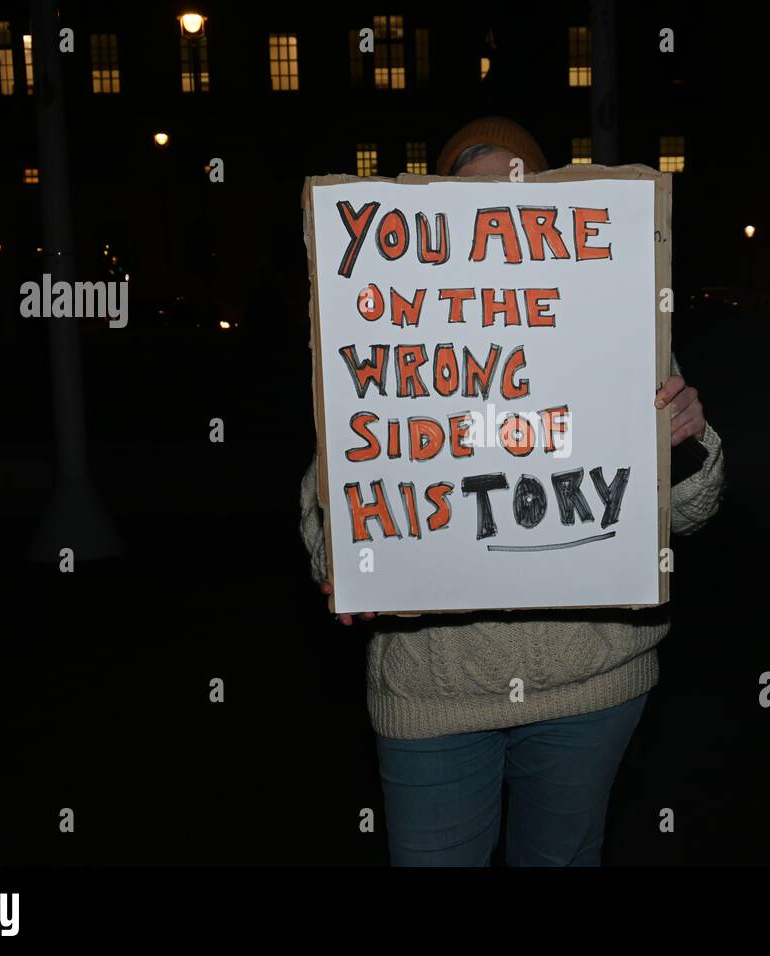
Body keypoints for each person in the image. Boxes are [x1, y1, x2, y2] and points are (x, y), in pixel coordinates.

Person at [300, 116, 725, 866]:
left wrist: (685, 444)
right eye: (472, 203)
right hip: (434, 695)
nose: (496, 224)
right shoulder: (392, 328)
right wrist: (344, 554)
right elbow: (332, 501)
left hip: (591, 686)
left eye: (517, 195)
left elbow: (687, 513)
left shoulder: (614, 321)